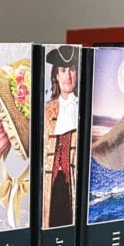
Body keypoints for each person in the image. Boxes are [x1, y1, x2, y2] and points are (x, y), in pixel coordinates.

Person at [44, 45, 79, 228]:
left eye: (72, 69)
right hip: (51, 183)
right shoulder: (48, 110)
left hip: (71, 182)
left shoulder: (83, 109)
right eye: (63, 70)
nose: (68, 76)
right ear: (56, 76)